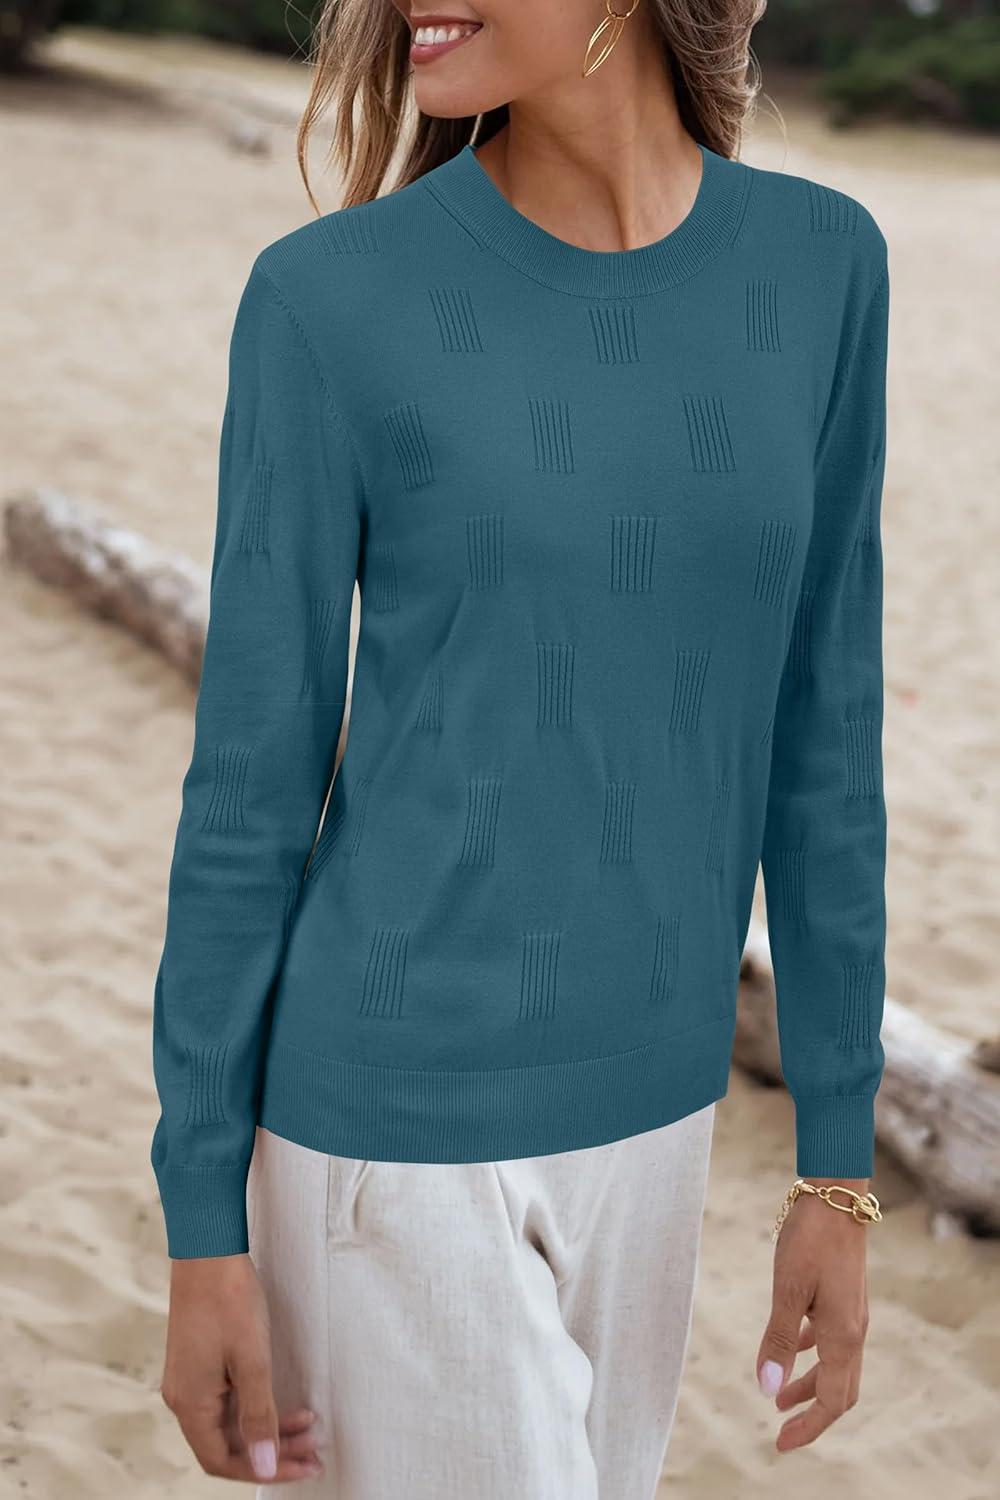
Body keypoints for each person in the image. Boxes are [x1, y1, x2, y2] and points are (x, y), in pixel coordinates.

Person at [151, 1, 891, 1494]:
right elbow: (248, 789)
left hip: (661, 1115)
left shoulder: (824, 268)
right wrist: (201, 1225)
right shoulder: (328, 301)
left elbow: (827, 730)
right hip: (391, 1131)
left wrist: (839, 1162)